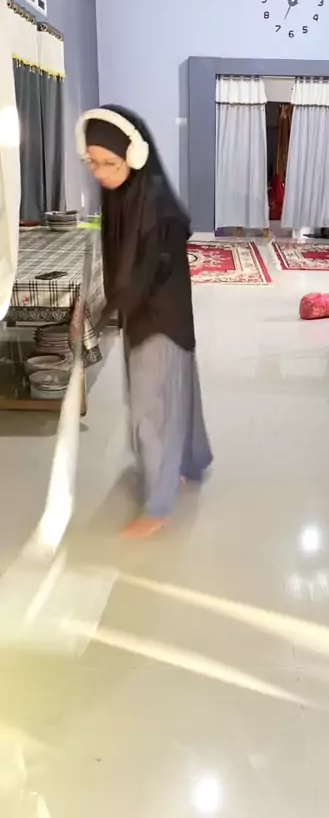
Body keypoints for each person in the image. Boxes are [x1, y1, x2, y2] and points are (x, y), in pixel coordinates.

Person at [75, 105, 213, 538]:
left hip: (161, 319)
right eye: (93, 162)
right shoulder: (123, 192)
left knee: (150, 408)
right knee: (172, 393)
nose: (100, 173)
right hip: (143, 315)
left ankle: (158, 505)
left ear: (134, 155)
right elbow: (124, 271)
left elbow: (141, 276)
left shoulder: (156, 207)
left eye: (109, 163)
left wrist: (98, 315)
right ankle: (185, 464)